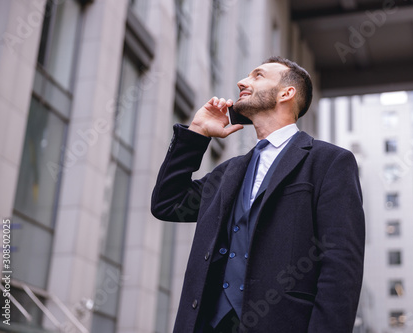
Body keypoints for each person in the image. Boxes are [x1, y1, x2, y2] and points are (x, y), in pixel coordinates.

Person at [151, 56, 365, 333]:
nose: (242, 82)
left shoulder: (328, 163)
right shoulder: (229, 172)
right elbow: (169, 203)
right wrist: (197, 133)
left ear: (287, 93)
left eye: (258, 76)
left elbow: (340, 265)